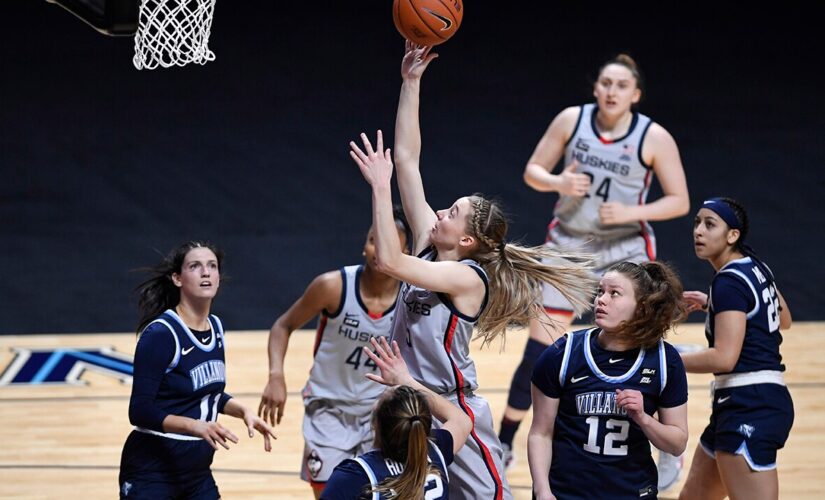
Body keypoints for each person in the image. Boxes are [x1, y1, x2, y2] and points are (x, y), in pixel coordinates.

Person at [347, 41, 597, 500]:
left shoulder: (467, 278)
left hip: (452, 408)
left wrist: (380, 192)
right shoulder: (429, 244)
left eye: (453, 211)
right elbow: (407, 160)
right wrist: (411, 83)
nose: (439, 210)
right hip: (404, 400)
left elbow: (389, 261)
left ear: (466, 241)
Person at [499, 53, 690, 488]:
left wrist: (632, 209)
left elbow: (679, 200)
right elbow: (532, 171)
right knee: (538, 349)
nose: (611, 91)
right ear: (595, 87)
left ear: (635, 95)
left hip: (625, 243)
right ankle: (506, 438)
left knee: (644, 348)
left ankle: (664, 448)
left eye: (621, 86)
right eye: (605, 83)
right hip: (570, 241)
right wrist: (558, 183)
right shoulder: (572, 120)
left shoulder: (653, 137)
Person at [257, 209, 411, 498]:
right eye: (372, 240)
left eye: (389, 243)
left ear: (405, 252)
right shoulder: (333, 286)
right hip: (328, 409)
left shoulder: (410, 298)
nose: (378, 249)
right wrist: (276, 375)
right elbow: (283, 325)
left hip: (379, 413)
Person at [119, 241, 276, 499]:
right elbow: (140, 411)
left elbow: (208, 393)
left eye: (212, 266)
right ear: (177, 278)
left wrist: (244, 411)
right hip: (153, 472)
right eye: (195, 266)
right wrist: (196, 426)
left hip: (197, 473)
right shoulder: (161, 334)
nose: (206, 272)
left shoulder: (216, 327)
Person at [528, 261, 689, 499]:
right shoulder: (562, 354)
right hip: (567, 493)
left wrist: (644, 419)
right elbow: (540, 433)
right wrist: (542, 490)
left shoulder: (665, 361)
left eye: (614, 293)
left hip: (631, 491)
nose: (601, 300)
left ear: (642, 307)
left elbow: (677, 444)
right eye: (601, 291)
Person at [678, 198, 793, 500]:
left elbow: (724, 358)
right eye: (697, 223)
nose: (699, 231)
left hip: (750, 404)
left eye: (709, 224)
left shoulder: (729, 281)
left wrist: (666, 359)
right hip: (745, 402)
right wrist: (716, 306)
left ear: (733, 235)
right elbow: (784, 318)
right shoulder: (755, 267)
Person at [321, 336, 473, 500]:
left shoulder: (355, 476)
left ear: (376, 423)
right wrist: (407, 381)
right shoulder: (435, 452)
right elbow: (461, 420)